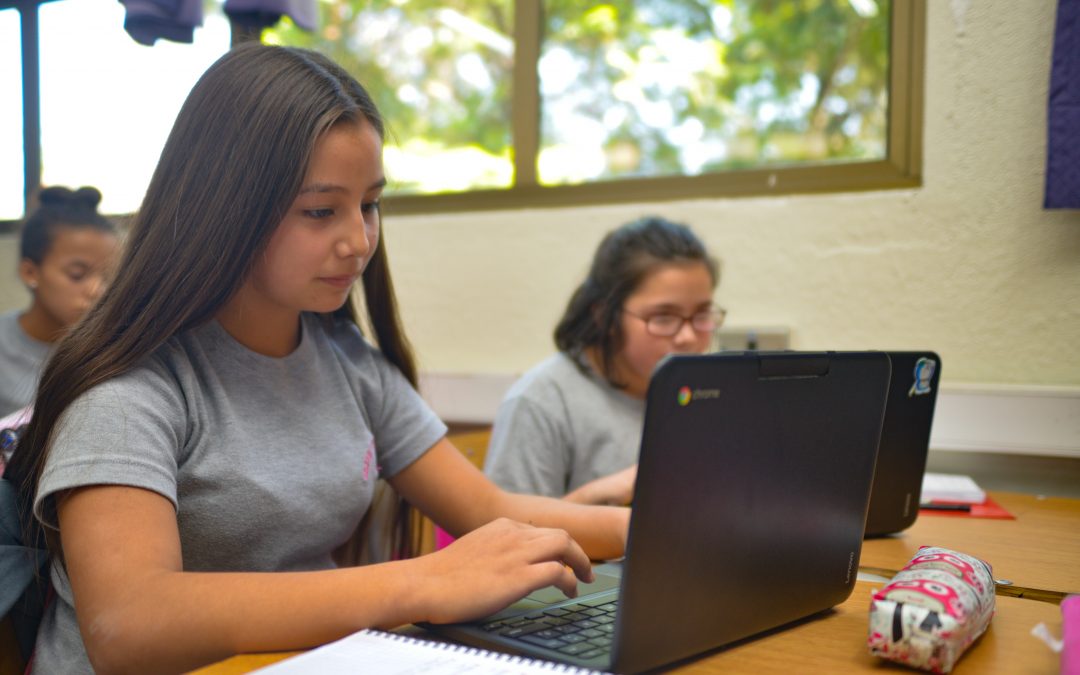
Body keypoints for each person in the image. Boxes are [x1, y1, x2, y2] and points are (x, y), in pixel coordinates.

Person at [5, 43, 628, 675]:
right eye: (321, 210)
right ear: (225, 209)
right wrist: (422, 582)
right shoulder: (129, 386)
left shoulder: (344, 361)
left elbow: (487, 510)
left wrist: (670, 530)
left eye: (370, 205)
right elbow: (129, 623)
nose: (358, 241)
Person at [484, 217, 721, 505]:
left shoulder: (708, 393)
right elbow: (508, 538)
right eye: (663, 318)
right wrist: (597, 497)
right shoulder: (540, 401)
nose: (687, 336)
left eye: (701, 316)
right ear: (605, 315)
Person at [0, 186, 118, 418]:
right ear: (30, 272)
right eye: (77, 275)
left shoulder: (109, 350)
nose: (97, 291)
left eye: (107, 277)